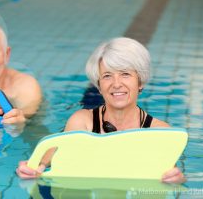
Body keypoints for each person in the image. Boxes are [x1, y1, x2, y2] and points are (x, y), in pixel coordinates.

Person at [16, 37, 186, 184]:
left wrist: (177, 180)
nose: (116, 83)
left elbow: (169, 178)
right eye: (107, 76)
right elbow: (50, 159)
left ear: (140, 82)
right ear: (99, 86)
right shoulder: (83, 122)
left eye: (125, 74)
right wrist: (33, 169)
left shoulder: (159, 132)